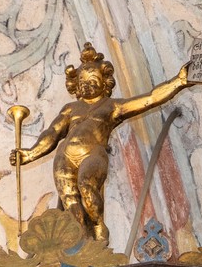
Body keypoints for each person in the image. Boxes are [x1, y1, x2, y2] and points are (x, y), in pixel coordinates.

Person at [10, 42, 191, 241]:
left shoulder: (112, 106)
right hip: (65, 156)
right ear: (76, 84)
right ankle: (78, 241)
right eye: (82, 80)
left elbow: (150, 98)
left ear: (104, 83)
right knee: (70, 200)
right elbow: (52, 132)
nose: (87, 84)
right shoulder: (70, 109)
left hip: (93, 153)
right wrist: (30, 154)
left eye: (93, 80)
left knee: (86, 185)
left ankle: (97, 226)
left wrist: (178, 82)